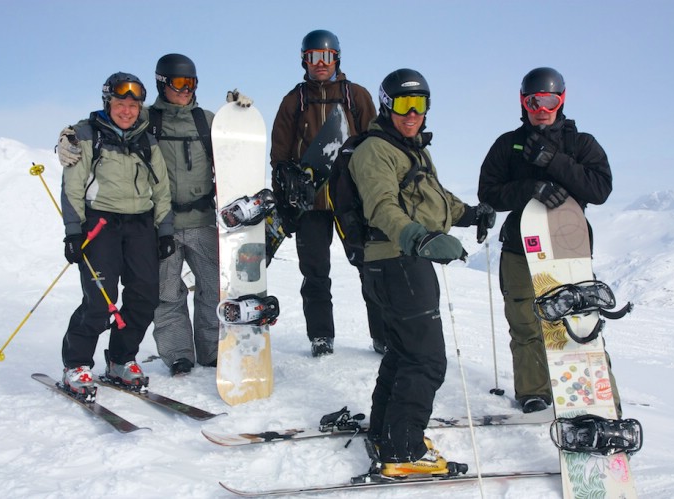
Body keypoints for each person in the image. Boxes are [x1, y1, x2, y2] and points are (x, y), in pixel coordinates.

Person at [58, 54, 252, 377]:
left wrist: (237, 114)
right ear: (163, 83)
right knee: (165, 294)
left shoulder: (206, 120)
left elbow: (235, 147)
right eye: (179, 83)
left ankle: (211, 349)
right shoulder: (146, 118)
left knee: (212, 288)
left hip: (201, 219)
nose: (186, 90)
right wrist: (66, 137)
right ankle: (178, 354)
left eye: (191, 83)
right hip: (159, 223)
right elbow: (101, 123)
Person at [349, 68, 495, 476]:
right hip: (399, 261)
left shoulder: (410, 148)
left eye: (419, 105)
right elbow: (382, 206)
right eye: (402, 104)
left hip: (400, 262)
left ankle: (385, 433)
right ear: (385, 105)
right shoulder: (375, 151)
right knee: (427, 361)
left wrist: (469, 214)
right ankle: (404, 450)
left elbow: (433, 197)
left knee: (403, 352)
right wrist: (420, 239)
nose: (411, 113)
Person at [477, 67, 621, 414]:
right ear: (523, 102)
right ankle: (534, 392)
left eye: (550, 100)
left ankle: (601, 396)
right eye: (534, 100)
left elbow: (599, 189)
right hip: (519, 247)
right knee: (525, 324)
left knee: (580, 321)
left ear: (562, 100)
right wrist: (529, 188)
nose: (542, 107)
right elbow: (488, 194)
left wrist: (555, 161)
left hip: (568, 249)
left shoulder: (580, 144)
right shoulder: (507, 145)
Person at [270, 29, 384, 357]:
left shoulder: (356, 96)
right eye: (313, 57)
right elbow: (279, 154)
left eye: (326, 56)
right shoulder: (295, 100)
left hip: (351, 198)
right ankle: (321, 336)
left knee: (369, 266)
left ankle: (383, 335)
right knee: (316, 271)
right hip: (310, 202)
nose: (320, 63)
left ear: (336, 58)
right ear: (304, 60)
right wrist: (285, 194)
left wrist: (373, 194)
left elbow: (374, 145)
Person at [60, 72, 174, 398]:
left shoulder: (146, 140)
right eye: (120, 103)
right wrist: (72, 233)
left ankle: (121, 359)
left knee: (145, 296)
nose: (127, 110)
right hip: (100, 225)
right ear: (107, 102)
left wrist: (164, 230)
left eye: (133, 105)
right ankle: (76, 364)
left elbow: (161, 188)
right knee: (100, 298)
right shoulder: (85, 135)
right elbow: (72, 186)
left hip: (140, 225)